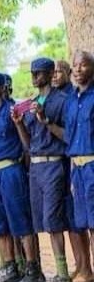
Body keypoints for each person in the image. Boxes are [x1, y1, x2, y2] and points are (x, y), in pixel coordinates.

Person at [12, 57, 73, 282]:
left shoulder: (62, 100)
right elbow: (28, 145)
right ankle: (37, 271)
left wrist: (45, 119)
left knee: (53, 220)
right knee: (40, 221)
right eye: (32, 73)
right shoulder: (30, 103)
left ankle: (62, 272)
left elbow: (68, 136)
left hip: (54, 163)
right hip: (35, 167)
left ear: (49, 74)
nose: (34, 77)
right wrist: (18, 123)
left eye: (38, 73)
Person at [0, 70, 40, 281]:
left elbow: (27, 144)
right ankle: (10, 266)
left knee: (21, 222)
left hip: (10, 171)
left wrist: (18, 123)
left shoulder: (12, 110)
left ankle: (32, 268)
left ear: (2, 88)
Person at [65, 51, 94, 282]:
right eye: (75, 66)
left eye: (83, 65)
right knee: (81, 222)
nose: (77, 69)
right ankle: (86, 270)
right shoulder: (71, 100)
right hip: (77, 168)